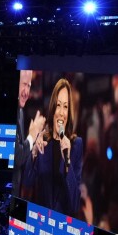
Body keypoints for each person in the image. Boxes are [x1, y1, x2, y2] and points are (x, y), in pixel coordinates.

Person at [20, 76, 82, 218]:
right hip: (41, 225)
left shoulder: (76, 145)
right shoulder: (43, 141)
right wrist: (34, 152)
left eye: (65, 107)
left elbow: (75, 204)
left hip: (62, 230)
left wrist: (67, 162)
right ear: (53, 107)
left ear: (69, 112)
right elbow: (27, 181)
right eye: (58, 105)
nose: (61, 112)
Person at [13, 69, 43, 200]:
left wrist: (33, 147)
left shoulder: (21, 111)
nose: (26, 92)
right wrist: (32, 136)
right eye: (23, 84)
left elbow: (22, 158)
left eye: (29, 86)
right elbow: (17, 156)